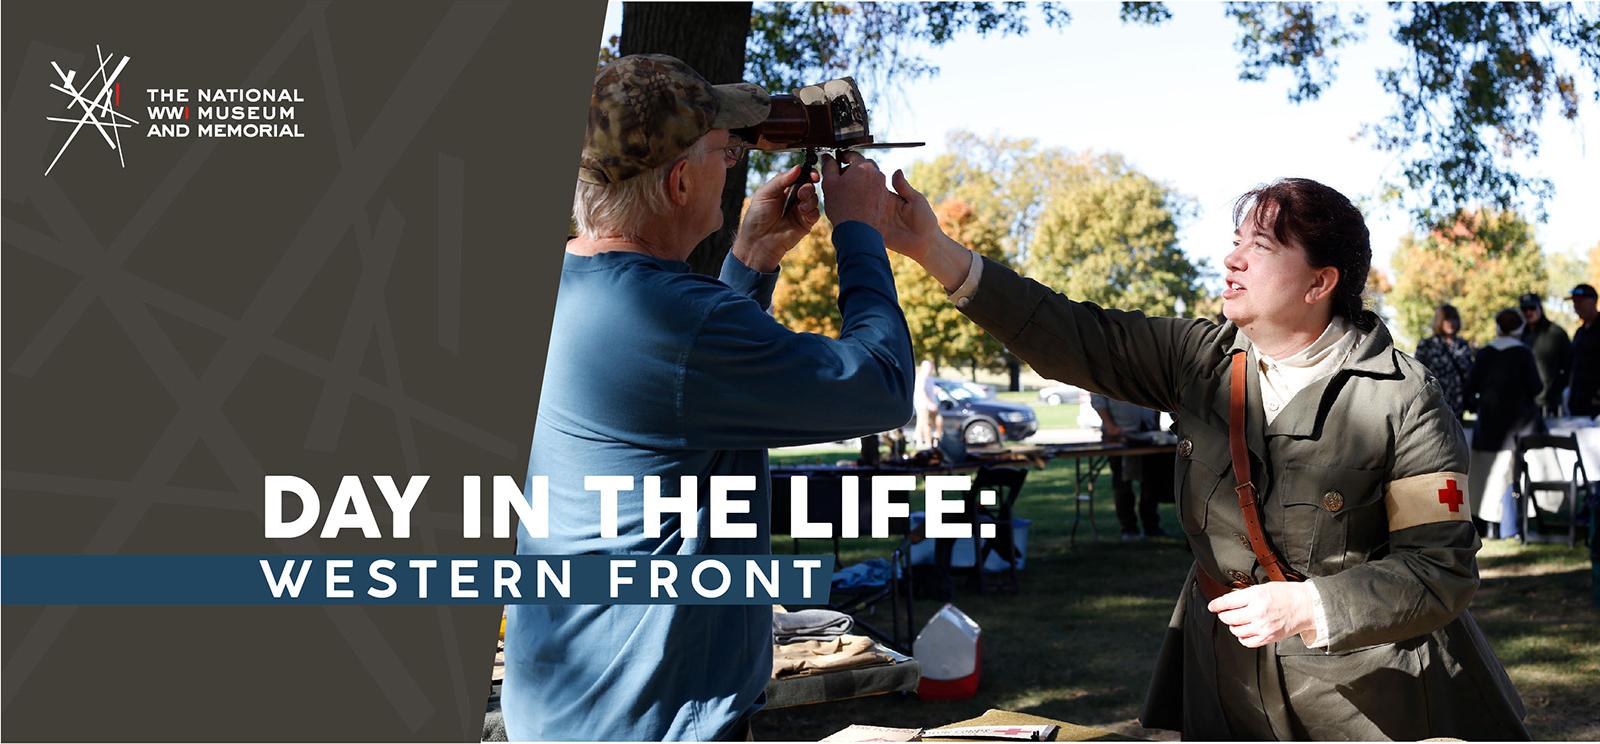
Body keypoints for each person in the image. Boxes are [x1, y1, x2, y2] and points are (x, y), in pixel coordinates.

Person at [865, 170, 1527, 739]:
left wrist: (1309, 605)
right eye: (1236, 242)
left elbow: (1440, 569)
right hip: (1227, 681)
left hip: (1363, 696)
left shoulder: (1405, 399)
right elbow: (1068, 333)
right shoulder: (1199, 360)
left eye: (1260, 247)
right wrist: (930, 247)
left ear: (1320, 281)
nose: (1233, 260)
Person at [501, 54, 915, 742]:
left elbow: (674, 400)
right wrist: (859, 232)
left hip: (567, 710)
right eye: (724, 154)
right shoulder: (676, 319)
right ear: (680, 179)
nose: (734, 169)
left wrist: (748, 265)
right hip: (655, 726)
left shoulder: (563, 293)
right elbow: (882, 386)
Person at [1464, 309, 1544, 537]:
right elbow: (1536, 387)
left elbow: (1471, 388)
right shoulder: (1523, 353)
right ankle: (1509, 528)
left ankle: (1483, 528)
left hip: (1488, 427)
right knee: (1509, 477)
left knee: (1482, 481)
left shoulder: (1486, 353)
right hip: (1517, 429)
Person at [1089, 392, 1169, 540]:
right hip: (1119, 434)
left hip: (1147, 432)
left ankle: (1151, 526)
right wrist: (1110, 425)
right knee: (1122, 484)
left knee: (1151, 483)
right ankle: (1129, 528)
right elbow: (1097, 398)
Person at [1414, 303, 1474, 420]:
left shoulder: (1463, 345)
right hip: (1434, 402)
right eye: (1446, 319)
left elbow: (1469, 374)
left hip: (1458, 403)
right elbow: (1418, 375)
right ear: (1439, 321)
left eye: (1454, 318)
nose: (1450, 322)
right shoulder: (1427, 345)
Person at [1518, 292, 1571, 417]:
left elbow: (1569, 366)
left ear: (1540, 308)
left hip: (1550, 403)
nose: (1528, 312)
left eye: (1532, 308)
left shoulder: (1556, 333)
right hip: (1524, 403)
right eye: (1524, 309)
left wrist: (1557, 389)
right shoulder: (1519, 336)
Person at [1566, 283, 1600, 417]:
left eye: (1579, 302)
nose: (1576, 307)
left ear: (1593, 301)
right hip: (1579, 403)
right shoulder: (1580, 332)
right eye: (1574, 302)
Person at [914, 359, 942, 449]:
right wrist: (929, 403)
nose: (930, 368)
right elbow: (921, 392)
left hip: (932, 403)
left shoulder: (929, 378)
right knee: (923, 423)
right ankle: (922, 442)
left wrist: (936, 390)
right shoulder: (920, 377)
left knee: (938, 421)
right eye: (928, 367)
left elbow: (930, 389)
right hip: (923, 404)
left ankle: (934, 440)